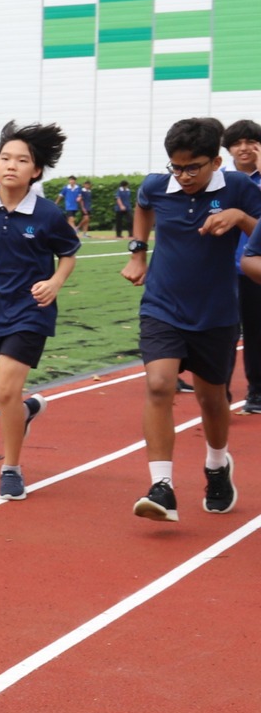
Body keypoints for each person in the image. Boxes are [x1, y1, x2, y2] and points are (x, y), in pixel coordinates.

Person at [121, 116, 261, 520]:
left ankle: (217, 466)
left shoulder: (237, 188)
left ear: (216, 162)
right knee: (159, 384)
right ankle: (161, 485)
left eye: (192, 167)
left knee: (212, 399)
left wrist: (239, 217)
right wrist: (137, 252)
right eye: (176, 166)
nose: (183, 176)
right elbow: (144, 209)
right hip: (162, 306)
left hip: (216, 312)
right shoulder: (155, 186)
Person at [0, 124, 78, 500]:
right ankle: (24, 411)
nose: (11, 165)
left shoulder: (48, 214)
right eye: (5, 158)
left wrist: (55, 282)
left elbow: (68, 253)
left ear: (35, 170)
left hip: (30, 310)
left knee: (6, 389)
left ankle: (11, 468)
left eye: (22, 160)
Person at [225, 119, 261, 413]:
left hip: (254, 270)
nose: (244, 148)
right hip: (221, 270)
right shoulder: (220, 181)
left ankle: (257, 392)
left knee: (256, 332)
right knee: (221, 332)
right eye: (237, 143)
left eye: (251, 142)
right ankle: (218, 391)